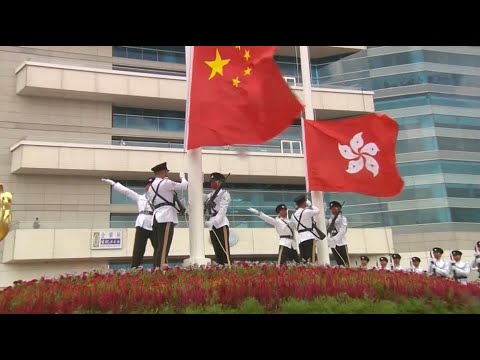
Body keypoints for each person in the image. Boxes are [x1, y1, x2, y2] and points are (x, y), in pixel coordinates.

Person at [101, 177, 156, 268]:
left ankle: (160, 268)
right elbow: (127, 191)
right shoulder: (140, 197)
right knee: (138, 248)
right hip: (142, 224)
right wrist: (114, 184)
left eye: (152, 185)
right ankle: (135, 268)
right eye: (148, 185)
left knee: (158, 249)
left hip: (154, 224)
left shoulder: (159, 199)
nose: (149, 187)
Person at [146, 162, 187, 269]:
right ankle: (161, 270)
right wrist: (182, 177)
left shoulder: (151, 188)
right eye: (166, 172)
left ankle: (157, 268)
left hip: (156, 217)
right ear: (163, 172)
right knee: (164, 247)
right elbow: (185, 186)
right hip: (166, 216)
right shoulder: (166, 183)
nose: (167, 174)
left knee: (159, 247)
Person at [204, 172, 231, 266]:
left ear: (219, 182)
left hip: (221, 223)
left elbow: (223, 210)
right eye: (211, 182)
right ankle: (220, 266)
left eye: (214, 181)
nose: (212, 183)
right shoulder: (209, 195)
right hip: (212, 223)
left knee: (224, 249)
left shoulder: (224, 193)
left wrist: (215, 221)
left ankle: (227, 267)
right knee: (216, 248)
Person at [290, 194, 321, 263]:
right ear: (304, 202)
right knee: (312, 259)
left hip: (300, 238)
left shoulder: (293, 215)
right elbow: (318, 211)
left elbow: (294, 227)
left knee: (304, 260)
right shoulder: (307, 211)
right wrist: (310, 205)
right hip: (309, 237)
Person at [326, 201, 349, 267]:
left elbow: (342, 231)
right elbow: (330, 231)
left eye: (334, 208)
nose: (332, 210)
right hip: (333, 244)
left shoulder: (343, 218)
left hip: (341, 243)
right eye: (331, 208)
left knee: (345, 262)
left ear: (338, 208)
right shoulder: (330, 220)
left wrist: (335, 239)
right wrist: (330, 239)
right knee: (339, 262)